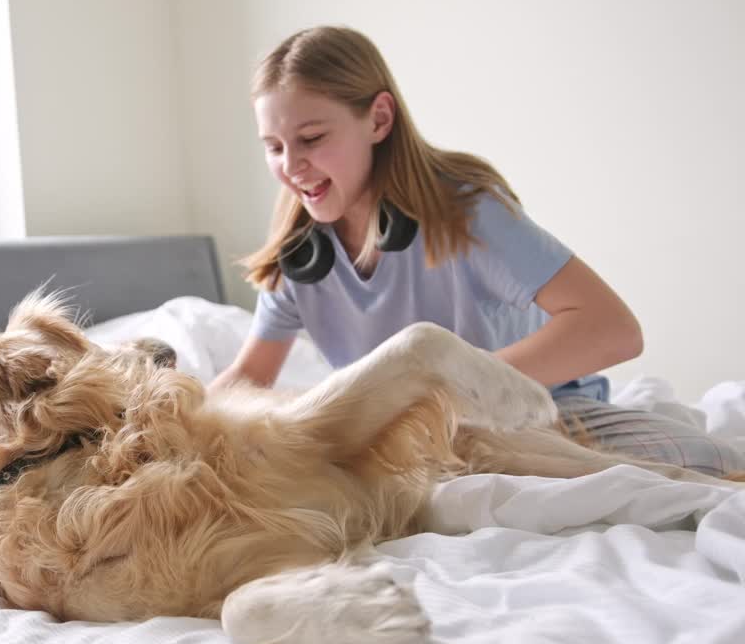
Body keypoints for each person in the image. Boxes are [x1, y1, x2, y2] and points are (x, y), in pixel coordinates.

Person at [209, 25, 742, 477]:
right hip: (414, 444)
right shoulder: (301, 256)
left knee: (707, 473)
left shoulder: (464, 212)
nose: (292, 166)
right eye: (274, 148)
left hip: (546, 410)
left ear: (378, 119)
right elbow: (248, 379)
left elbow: (614, 330)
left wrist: (458, 391)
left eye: (311, 138)